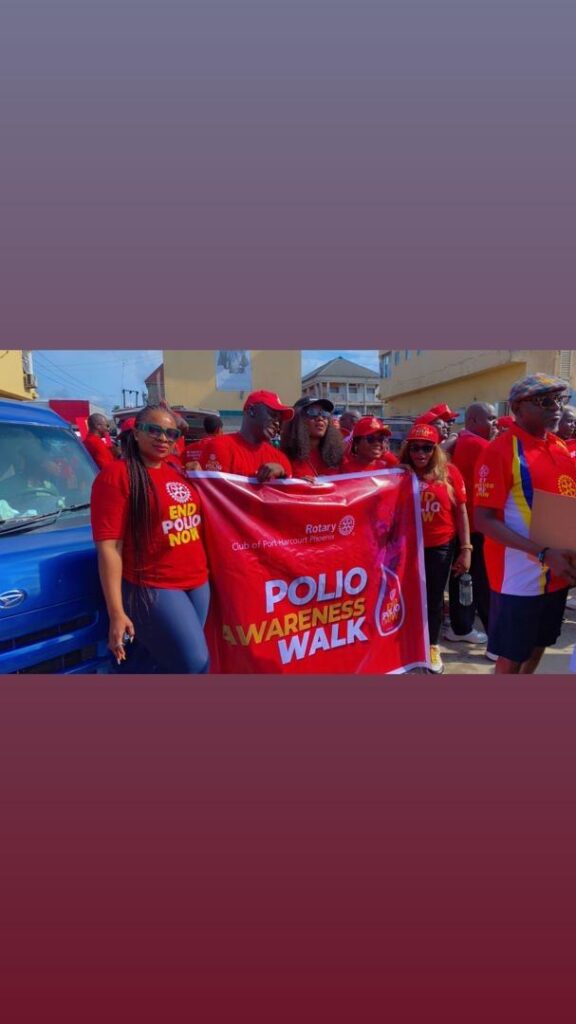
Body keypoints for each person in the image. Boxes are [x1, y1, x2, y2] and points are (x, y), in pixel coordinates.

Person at [90, 404, 211, 673]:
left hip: (197, 582)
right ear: (136, 433)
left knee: (156, 663)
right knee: (196, 665)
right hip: (155, 586)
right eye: (154, 430)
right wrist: (116, 612)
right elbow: (109, 548)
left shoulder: (177, 468)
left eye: (171, 433)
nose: (164, 438)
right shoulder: (116, 476)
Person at [474, 373, 576, 674]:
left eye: (559, 399)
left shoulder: (559, 447)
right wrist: (543, 552)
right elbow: (483, 520)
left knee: (540, 644)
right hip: (518, 579)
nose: (556, 407)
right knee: (512, 656)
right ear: (517, 408)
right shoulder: (500, 451)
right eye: (544, 401)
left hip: (558, 572)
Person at [399, 423, 472, 674]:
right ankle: (406, 644)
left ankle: (431, 644)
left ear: (436, 449)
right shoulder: (400, 473)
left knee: (433, 598)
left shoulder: (449, 472)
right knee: (405, 596)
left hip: (439, 546)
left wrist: (466, 548)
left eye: (427, 448)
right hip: (407, 547)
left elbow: (461, 511)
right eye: (415, 448)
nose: (420, 453)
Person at [444, 402, 498, 647]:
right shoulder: (480, 446)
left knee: (464, 578)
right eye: (491, 418)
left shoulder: (462, 442)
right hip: (476, 527)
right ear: (474, 420)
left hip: (465, 524)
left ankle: (462, 625)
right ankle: (468, 627)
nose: (495, 424)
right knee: (477, 580)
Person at [199, 390, 293, 480]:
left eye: (279, 419)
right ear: (252, 411)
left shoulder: (281, 460)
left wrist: (282, 476)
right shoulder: (219, 447)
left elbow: (290, 490)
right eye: (273, 415)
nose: (277, 423)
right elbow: (212, 489)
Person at [280, 397, 344, 478]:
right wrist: (297, 482)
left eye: (325, 413)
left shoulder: (337, 456)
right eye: (313, 412)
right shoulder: (283, 456)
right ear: (297, 419)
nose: (320, 418)